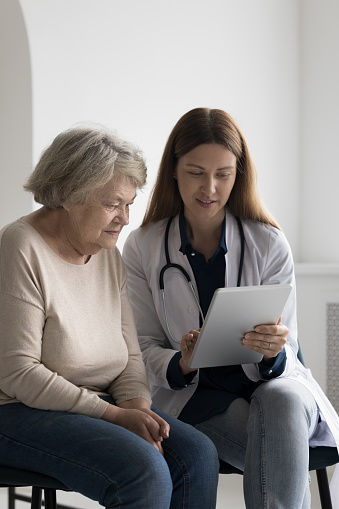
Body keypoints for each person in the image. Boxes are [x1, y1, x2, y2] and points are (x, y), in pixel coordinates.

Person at [122, 107, 339, 508]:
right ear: (173, 169)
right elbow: (143, 345)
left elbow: (287, 348)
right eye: (195, 172)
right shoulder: (143, 246)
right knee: (280, 456)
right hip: (197, 397)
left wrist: (271, 351)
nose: (210, 188)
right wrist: (183, 362)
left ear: (239, 173)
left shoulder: (268, 242)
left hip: (269, 386)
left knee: (283, 399)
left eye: (223, 173)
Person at [0, 125, 220, 509]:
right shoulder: (20, 247)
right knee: (144, 468)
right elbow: (18, 373)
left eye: (129, 203)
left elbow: (129, 356)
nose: (124, 218)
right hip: (17, 410)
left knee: (198, 456)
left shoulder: (106, 254)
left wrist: (135, 405)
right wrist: (115, 415)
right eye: (112, 203)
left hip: (96, 404)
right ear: (69, 194)